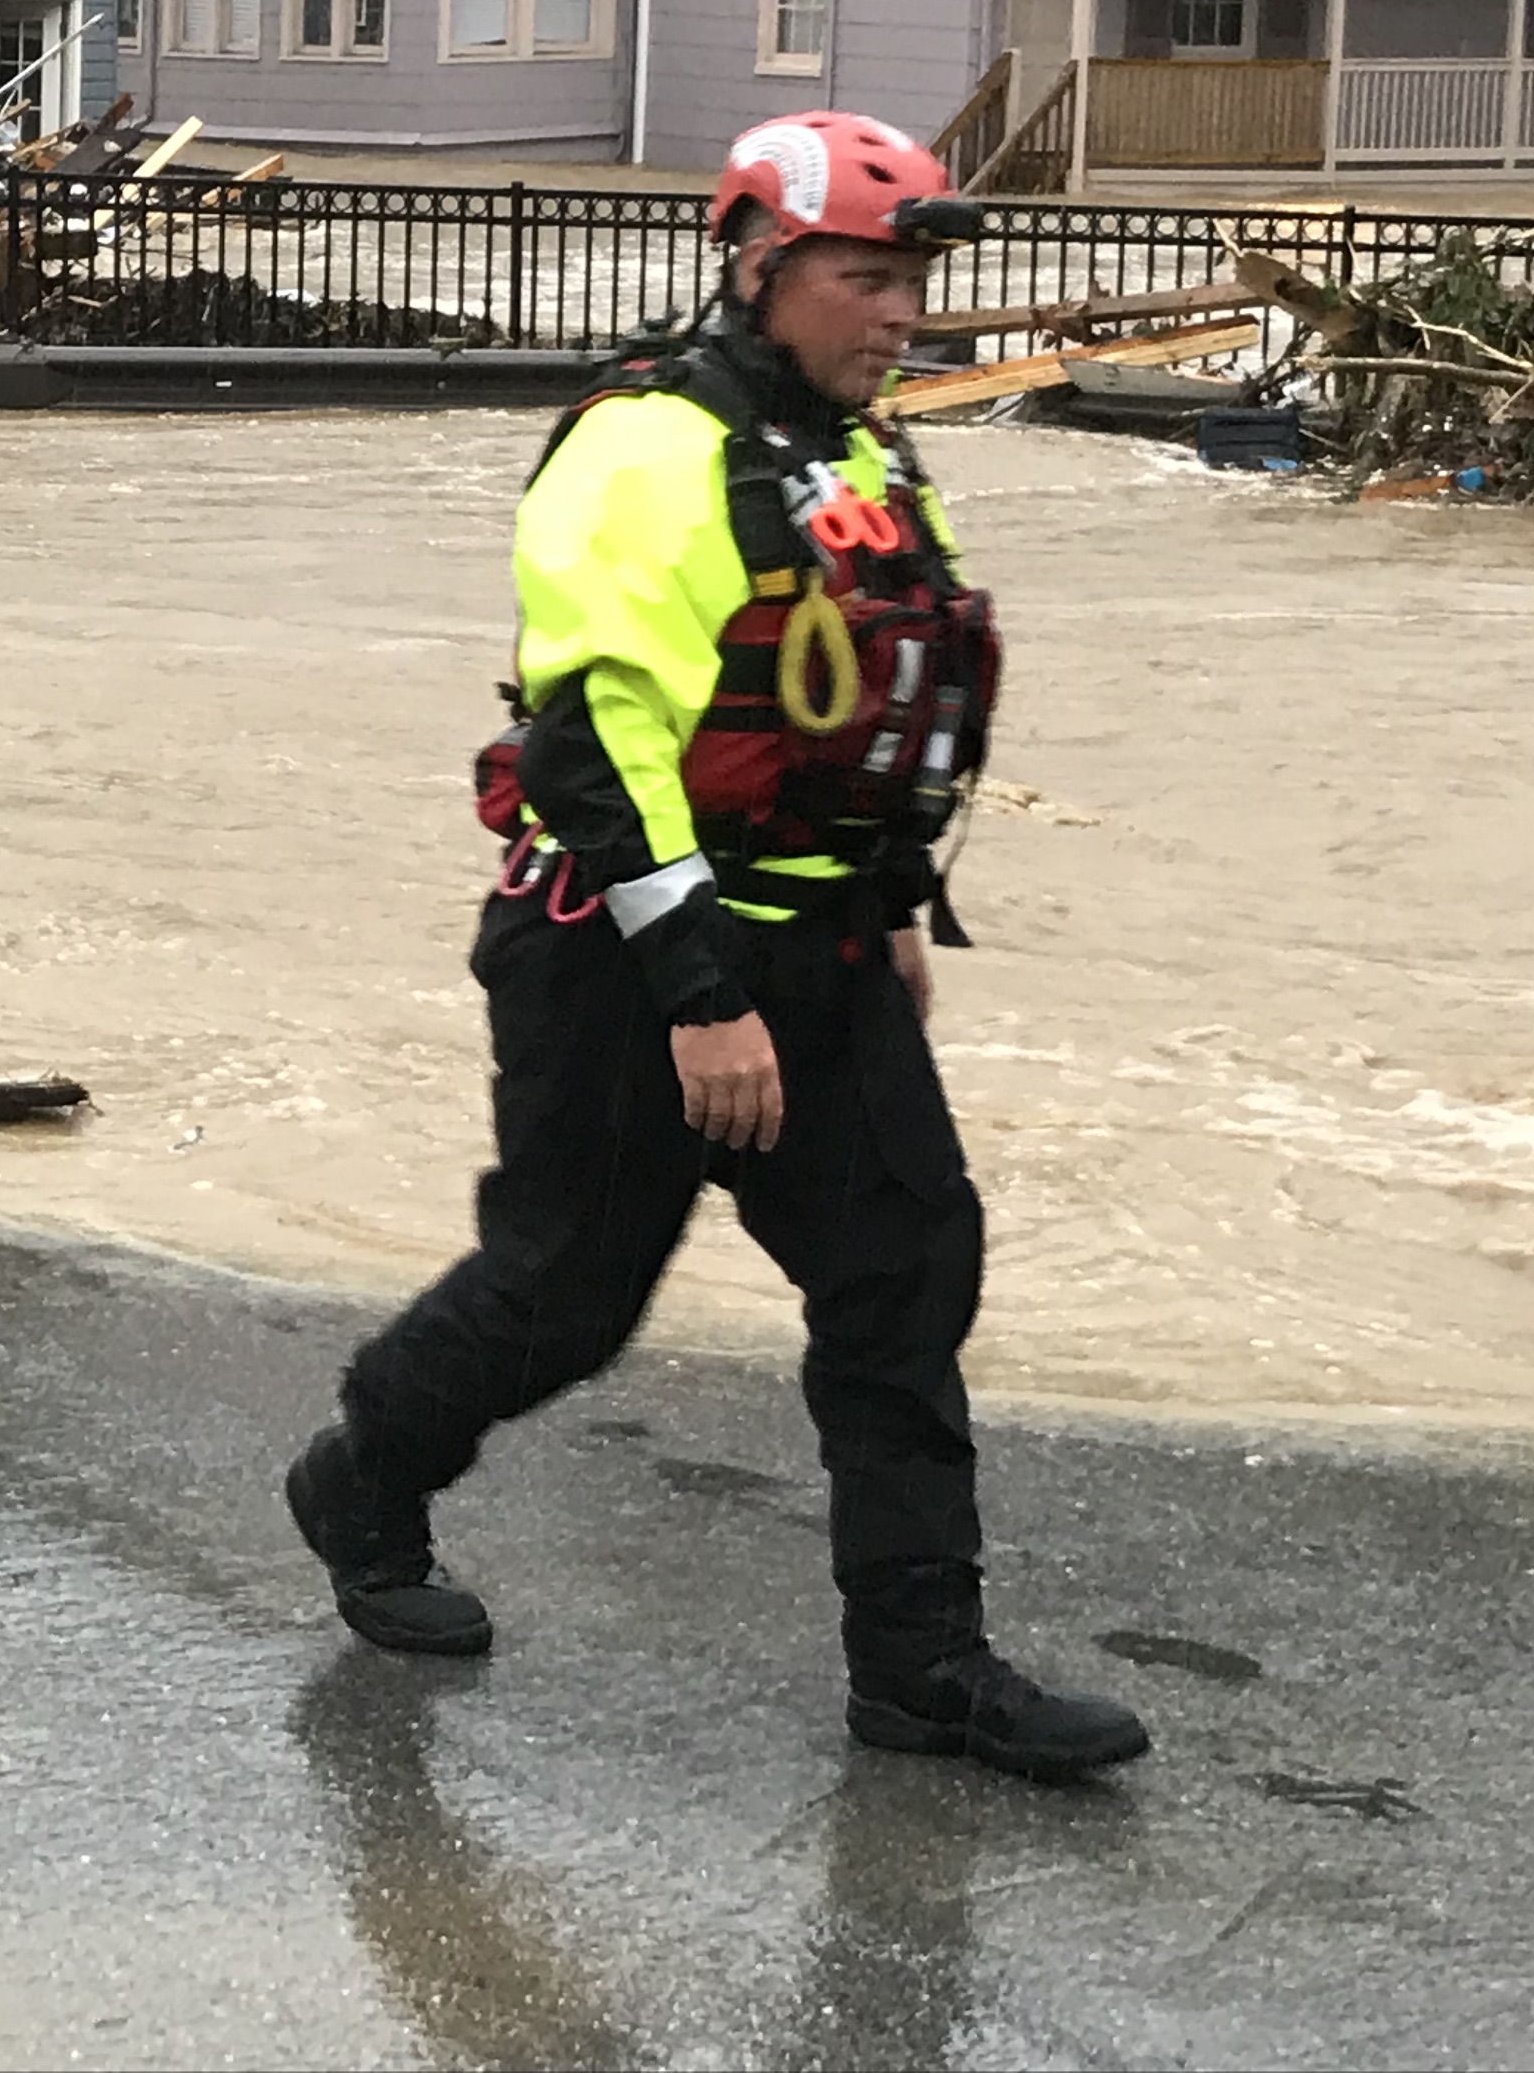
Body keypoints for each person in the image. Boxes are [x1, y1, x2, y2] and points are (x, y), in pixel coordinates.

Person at [284, 111, 1150, 1784]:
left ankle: (923, 1669)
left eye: (911, 278)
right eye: (861, 275)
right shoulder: (643, 451)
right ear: (761, 269)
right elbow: (590, 749)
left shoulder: (865, 458)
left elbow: (869, 701)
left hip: (820, 950)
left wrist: (886, 913)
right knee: (566, 1301)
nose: (898, 311)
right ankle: (362, 1479)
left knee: (905, 1278)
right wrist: (699, 998)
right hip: (627, 962)